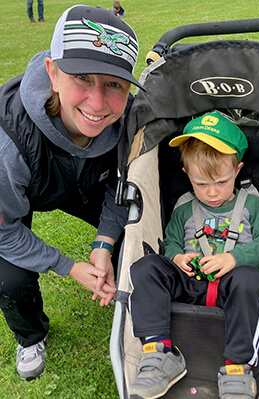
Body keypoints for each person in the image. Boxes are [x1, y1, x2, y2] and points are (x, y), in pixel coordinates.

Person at [0, 5, 143, 381]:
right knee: (10, 276)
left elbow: (122, 184)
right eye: (81, 77)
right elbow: (4, 229)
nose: (97, 104)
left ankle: (148, 306)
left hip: (88, 182)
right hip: (29, 186)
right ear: (52, 73)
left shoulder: (130, 120)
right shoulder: (7, 140)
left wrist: (104, 242)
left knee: (140, 226)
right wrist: (70, 267)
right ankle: (31, 335)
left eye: (114, 84)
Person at [128, 112, 259, 399]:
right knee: (146, 267)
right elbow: (171, 242)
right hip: (190, 282)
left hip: (232, 285)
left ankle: (237, 367)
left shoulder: (252, 206)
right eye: (200, 184)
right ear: (186, 174)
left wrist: (234, 258)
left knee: (252, 280)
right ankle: (159, 351)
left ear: (238, 170)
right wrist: (177, 258)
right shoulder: (185, 207)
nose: (211, 192)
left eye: (221, 182)